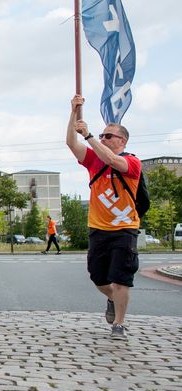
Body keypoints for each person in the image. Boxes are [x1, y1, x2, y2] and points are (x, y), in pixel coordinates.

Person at [67, 94, 141, 339]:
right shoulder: (93, 162)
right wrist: (73, 113)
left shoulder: (131, 162)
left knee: (121, 279)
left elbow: (111, 160)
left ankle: (119, 324)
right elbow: (71, 144)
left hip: (124, 228)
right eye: (101, 135)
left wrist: (88, 136)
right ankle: (113, 300)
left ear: (122, 140)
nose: (102, 138)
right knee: (98, 278)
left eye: (108, 136)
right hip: (98, 228)